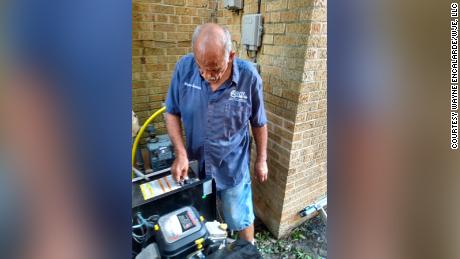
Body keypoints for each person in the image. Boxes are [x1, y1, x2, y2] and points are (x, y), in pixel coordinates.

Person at [165, 23, 268, 243]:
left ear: (230, 56)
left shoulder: (249, 78)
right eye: (201, 67)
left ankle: (248, 251)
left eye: (214, 68)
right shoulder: (184, 68)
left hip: (231, 169)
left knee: (239, 218)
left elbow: (259, 122)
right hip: (196, 167)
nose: (206, 75)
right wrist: (180, 153)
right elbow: (171, 112)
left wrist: (262, 159)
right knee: (200, 220)